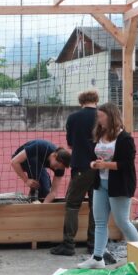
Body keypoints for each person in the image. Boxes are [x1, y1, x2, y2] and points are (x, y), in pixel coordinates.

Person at [79, 102, 138, 269]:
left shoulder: (125, 138)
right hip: (101, 183)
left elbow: (126, 164)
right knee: (99, 221)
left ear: (111, 116)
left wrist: (105, 166)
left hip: (119, 185)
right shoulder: (100, 134)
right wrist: (95, 164)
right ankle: (97, 258)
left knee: (123, 222)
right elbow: (99, 158)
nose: (98, 120)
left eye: (101, 116)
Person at [51, 89, 99, 257]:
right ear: (96, 100)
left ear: (81, 102)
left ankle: (68, 243)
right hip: (101, 167)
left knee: (72, 205)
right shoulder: (103, 116)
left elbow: (70, 145)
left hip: (81, 166)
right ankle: (94, 244)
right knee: (96, 207)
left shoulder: (73, 118)